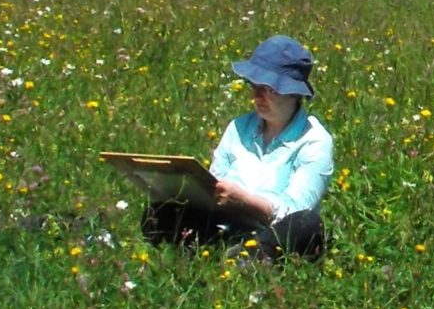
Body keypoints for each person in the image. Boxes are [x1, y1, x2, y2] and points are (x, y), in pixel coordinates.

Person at [141, 34, 332, 260]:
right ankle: (205, 256)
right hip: (223, 224)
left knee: (307, 223)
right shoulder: (239, 127)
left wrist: (245, 202)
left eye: (269, 89)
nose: (257, 96)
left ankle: (246, 259)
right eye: (254, 85)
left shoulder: (315, 141)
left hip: (272, 232)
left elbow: (294, 210)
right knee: (161, 210)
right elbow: (215, 182)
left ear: (294, 94)